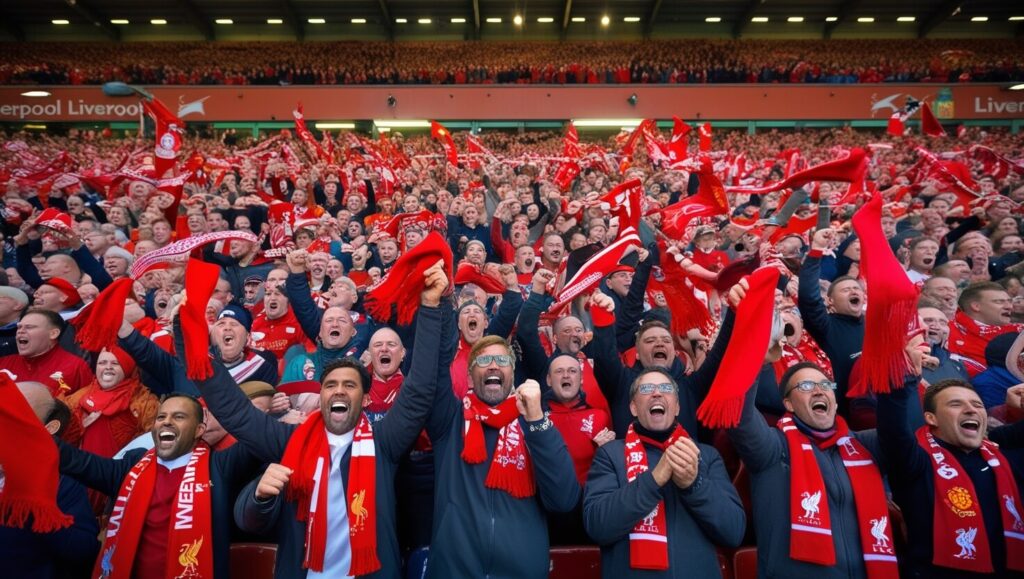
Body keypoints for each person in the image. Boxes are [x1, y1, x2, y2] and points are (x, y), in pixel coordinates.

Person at [201, 262, 448, 578]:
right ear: (321, 394)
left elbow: (421, 388)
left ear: (366, 399)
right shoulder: (289, 440)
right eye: (331, 385)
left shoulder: (384, 441)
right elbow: (234, 411)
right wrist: (258, 497)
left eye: (350, 385)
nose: (340, 391)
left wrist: (429, 307)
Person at [424, 333, 580, 578]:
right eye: (484, 361)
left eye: (502, 360)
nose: (494, 365)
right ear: (469, 377)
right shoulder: (449, 421)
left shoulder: (534, 424)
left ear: (513, 374)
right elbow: (431, 365)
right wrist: (437, 303)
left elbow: (564, 499)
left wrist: (537, 422)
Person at [56, 393, 260, 578]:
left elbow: (261, 437)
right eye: (161, 417)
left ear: (199, 430)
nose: (167, 422)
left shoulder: (220, 466)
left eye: (179, 417)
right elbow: (76, 461)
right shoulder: (131, 465)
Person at [584, 369, 745, 577]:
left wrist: (694, 484)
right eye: (647, 388)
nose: (657, 393)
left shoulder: (705, 455)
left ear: (677, 407)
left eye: (666, 388)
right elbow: (597, 526)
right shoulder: (610, 454)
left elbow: (733, 532)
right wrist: (652, 481)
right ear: (633, 407)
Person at [877, 378, 1024, 578]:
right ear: (931, 418)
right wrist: (900, 382)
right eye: (956, 404)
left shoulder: (1005, 459)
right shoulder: (915, 461)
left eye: (977, 404)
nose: (971, 409)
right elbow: (893, 429)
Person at [2, 381, 99, 579]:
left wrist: (38, 509)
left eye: (18, 408)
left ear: (49, 427)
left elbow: (85, 550)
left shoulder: (64, 483)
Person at [0, 308, 93, 395]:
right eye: (19, 327)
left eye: (29, 327)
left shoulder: (75, 367)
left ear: (53, 334)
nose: (20, 331)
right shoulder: (3, 363)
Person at [947, 281, 1022, 376]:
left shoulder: (1020, 333)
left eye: (1009, 301)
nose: (1009, 307)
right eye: (999, 302)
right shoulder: (947, 331)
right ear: (976, 306)